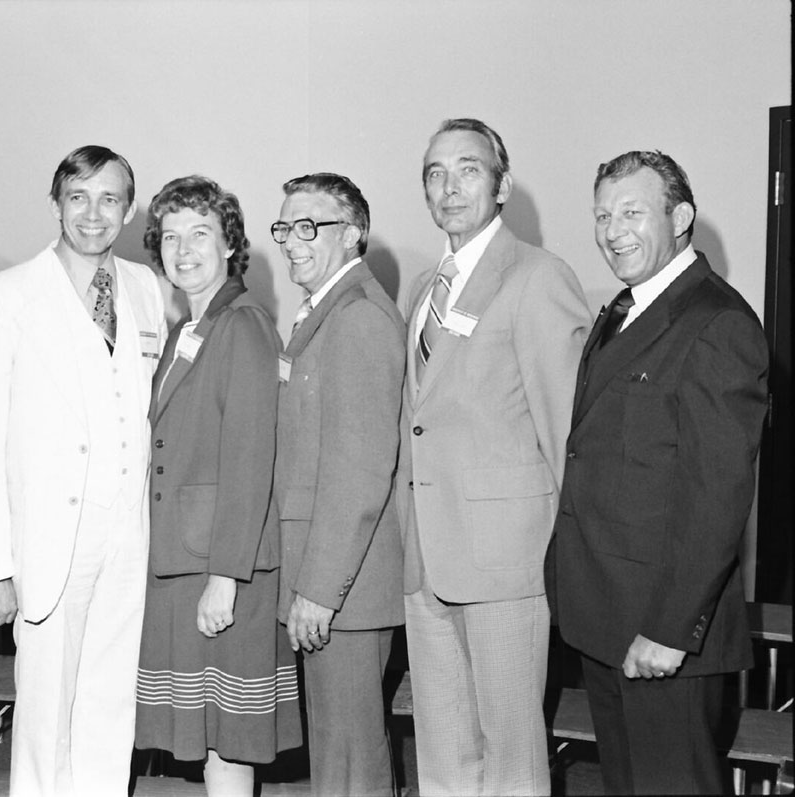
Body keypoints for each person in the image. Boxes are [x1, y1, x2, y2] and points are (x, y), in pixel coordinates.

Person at [546, 150, 768, 795]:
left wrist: (670, 631)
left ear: (681, 218)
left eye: (633, 212)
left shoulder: (716, 322)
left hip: (664, 633)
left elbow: (717, 496)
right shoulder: (622, 311)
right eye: (602, 215)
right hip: (608, 614)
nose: (613, 230)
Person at [0, 145, 167, 796]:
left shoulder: (147, 288)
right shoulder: (4, 297)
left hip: (126, 539)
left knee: (108, 706)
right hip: (49, 544)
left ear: (127, 210)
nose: (93, 214)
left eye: (109, 199)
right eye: (78, 197)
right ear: (56, 204)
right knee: (47, 714)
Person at [395, 118, 590, 796]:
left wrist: (573, 568)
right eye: (435, 173)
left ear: (502, 184)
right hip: (427, 557)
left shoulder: (537, 277)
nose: (449, 187)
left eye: (468, 169)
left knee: (509, 759)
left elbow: (567, 433)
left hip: (506, 563)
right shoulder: (422, 288)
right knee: (443, 755)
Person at [134, 176, 302, 795]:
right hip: (186, 562)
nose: (184, 250)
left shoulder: (245, 324)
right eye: (171, 236)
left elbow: (251, 460)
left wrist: (225, 579)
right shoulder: (189, 329)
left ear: (229, 244)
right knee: (208, 737)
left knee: (229, 739)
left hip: (222, 570)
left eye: (200, 234)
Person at [271, 173, 404, 796]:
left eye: (308, 227)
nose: (292, 242)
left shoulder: (356, 318)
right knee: (336, 750)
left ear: (352, 235)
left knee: (349, 758)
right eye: (284, 228)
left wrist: (319, 591)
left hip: (341, 592)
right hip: (330, 583)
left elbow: (359, 471)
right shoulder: (325, 311)